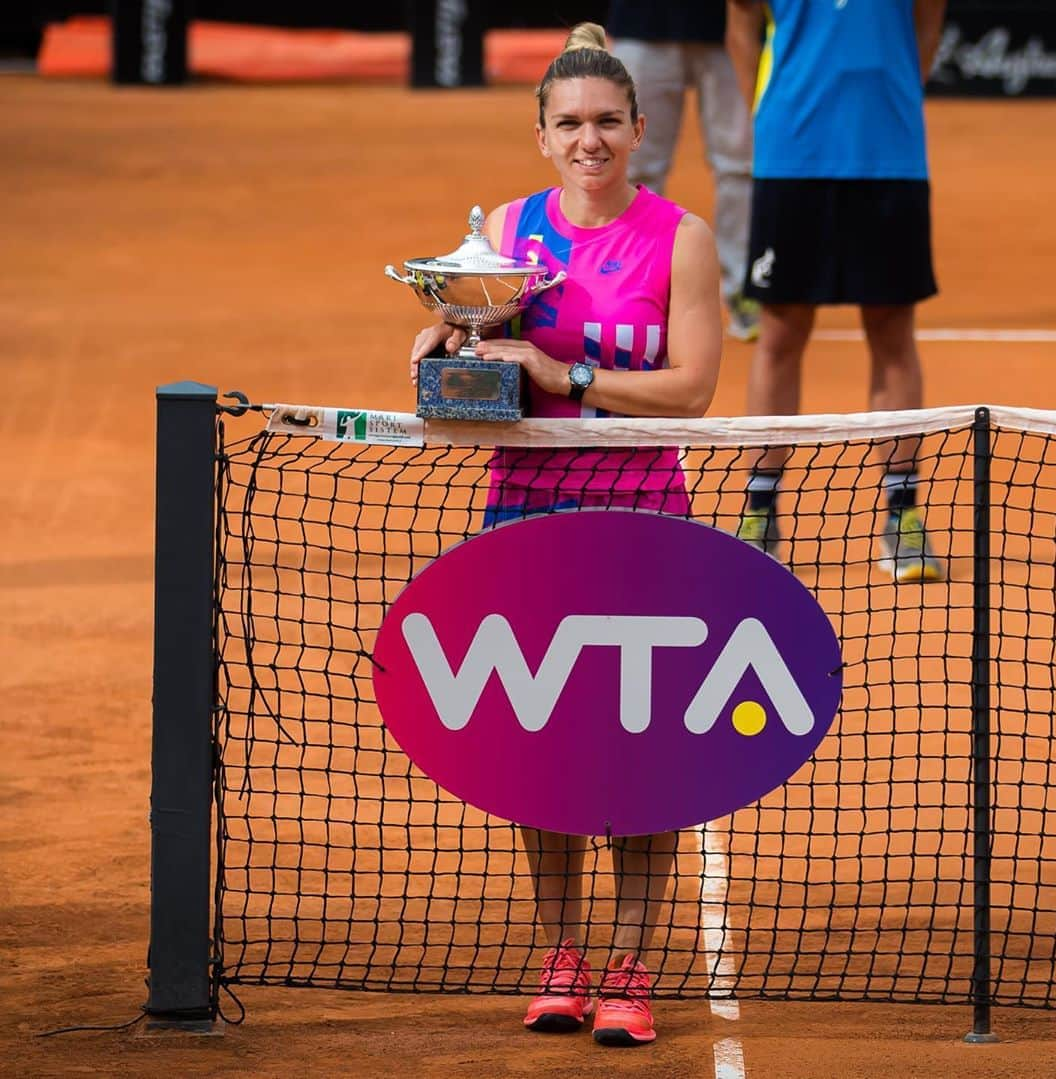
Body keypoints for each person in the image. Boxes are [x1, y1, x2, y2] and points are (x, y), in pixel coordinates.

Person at [409, 22, 724, 1047]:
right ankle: (562, 955)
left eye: (605, 123)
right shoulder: (506, 230)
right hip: (526, 518)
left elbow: (692, 390)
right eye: (569, 124)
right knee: (537, 750)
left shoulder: (681, 238)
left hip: (643, 520)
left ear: (638, 128)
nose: (589, 140)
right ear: (542, 136)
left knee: (645, 757)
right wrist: (447, 346)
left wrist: (569, 374)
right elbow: (478, 373)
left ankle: (631, 964)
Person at [726, 0, 948, 583]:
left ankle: (902, 513)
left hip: (890, 155)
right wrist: (772, 111)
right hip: (793, 155)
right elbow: (741, 23)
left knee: (893, 330)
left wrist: (892, 92)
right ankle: (760, 510)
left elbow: (927, 21)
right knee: (781, 329)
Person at [609, 1, 760, 342]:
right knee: (633, 165)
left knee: (740, 167)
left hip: (734, 26)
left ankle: (744, 289)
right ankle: (630, 287)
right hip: (642, 22)